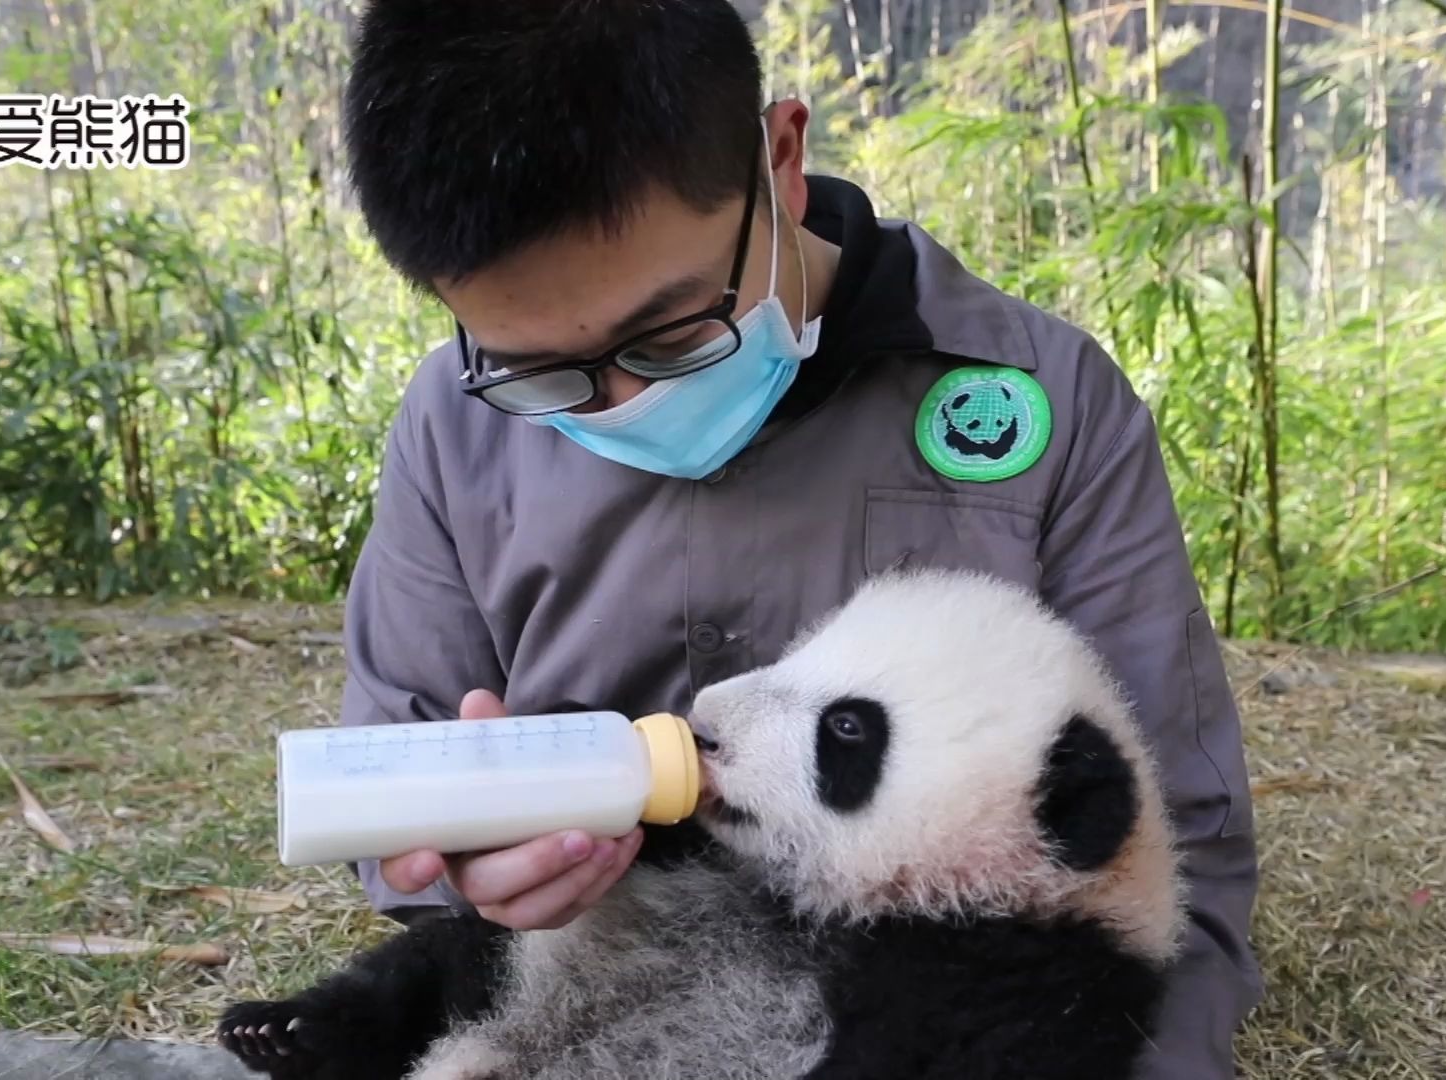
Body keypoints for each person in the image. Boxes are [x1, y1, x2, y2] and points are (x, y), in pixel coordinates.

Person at [335, 1, 1262, 1075]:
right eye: (540, 368)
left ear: (779, 157)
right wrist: (464, 860)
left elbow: (1166, 865)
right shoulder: (453, 424)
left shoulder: (1048, 404)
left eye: (672, 329)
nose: (621, 400)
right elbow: (388, 806)